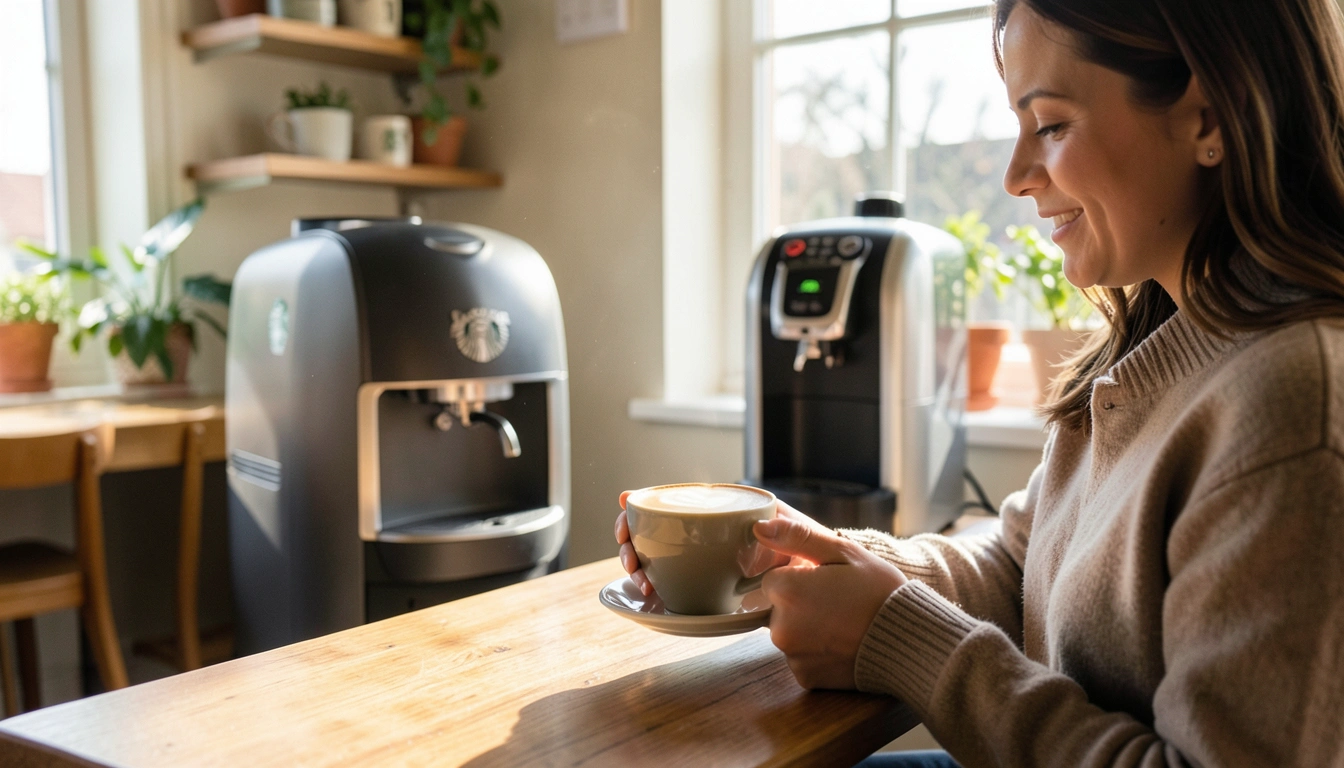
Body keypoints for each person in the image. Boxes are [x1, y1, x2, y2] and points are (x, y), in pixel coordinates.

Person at [615, 0, 1344, 765]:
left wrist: (905, 639)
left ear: (1208, 117)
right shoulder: (1150, 351)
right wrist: (813, 557)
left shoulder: (1294, 407)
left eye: (1051, 124)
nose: (1015, 177)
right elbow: (1018, 565)